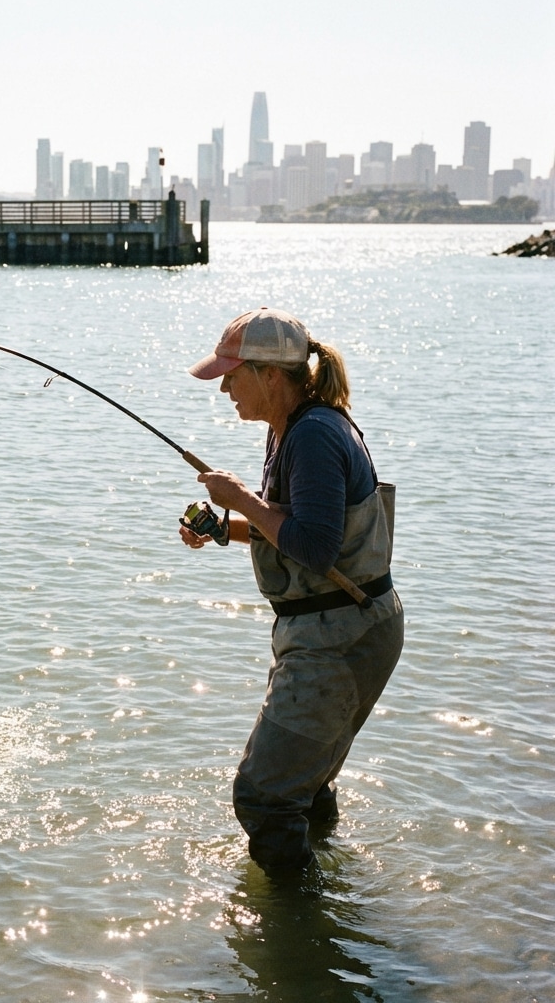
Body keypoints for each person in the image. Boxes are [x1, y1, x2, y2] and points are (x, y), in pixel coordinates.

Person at [181, 307, 403, 874]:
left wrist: (241, 501)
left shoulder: (315, 436)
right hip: (343, 628)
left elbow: (316, 548)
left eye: (232, 375)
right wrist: (223, 527)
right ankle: (325, 887)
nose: (225, 387)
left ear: (269, 375)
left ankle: (297, 929)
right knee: (305, 786)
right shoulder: (291, 430)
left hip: (341, 637)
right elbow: (296, 526)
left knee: (262, 796)